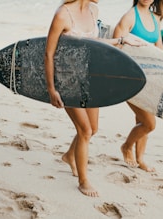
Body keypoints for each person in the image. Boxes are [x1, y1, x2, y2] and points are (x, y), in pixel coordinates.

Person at [45, 0, 144, 197]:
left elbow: (93, 42)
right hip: (67, 79)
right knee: (85, 130)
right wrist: (51, 89)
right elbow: (49, 53)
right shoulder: (62, 14)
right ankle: (83, 181)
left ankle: (68, 156)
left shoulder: (93, 10)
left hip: (89, 78)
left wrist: (121, 41)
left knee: (94, 129)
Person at [113, 0, 163, 172]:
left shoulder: (155, 18)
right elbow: (116, 49)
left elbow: (159, 49)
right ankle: (127, 146)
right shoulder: (129, 17)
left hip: (150, 78)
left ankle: (140, 159)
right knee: (149, 123)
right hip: (131, 79)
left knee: (142, 120)